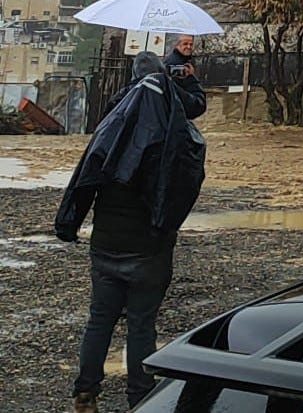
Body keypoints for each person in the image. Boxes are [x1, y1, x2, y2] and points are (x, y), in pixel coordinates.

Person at [57, 51, 207, 412]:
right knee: (141, 325)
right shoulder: (175, 132)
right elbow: (186, 182)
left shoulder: (113, 124)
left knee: (100, 320)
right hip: (150, 249)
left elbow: (85, 178)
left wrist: (69, 224)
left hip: (107, 244)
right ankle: (140, 399)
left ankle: (85, 394)